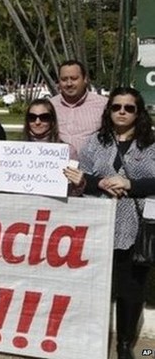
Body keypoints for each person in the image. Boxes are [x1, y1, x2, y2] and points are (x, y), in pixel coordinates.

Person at [64, 87, 155, 359]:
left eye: (129, 108)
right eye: (116, 107)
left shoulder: (150, 143)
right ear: (109, 110)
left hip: (136, 225)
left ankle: (125, 343)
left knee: (130, 287)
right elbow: (82, 175)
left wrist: (130, 183)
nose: (122, 112)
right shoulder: (96, 141)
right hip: (99, 223)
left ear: (138, 113)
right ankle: (87, 338)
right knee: (93, 285)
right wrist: (100, 182)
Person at [50, 60, 107, 159]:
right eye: (64, 79)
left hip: (91, 170)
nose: (69, 83)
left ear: (85, 79)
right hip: (54, 166)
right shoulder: (49, 106)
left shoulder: (103, 105)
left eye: (74, 78)